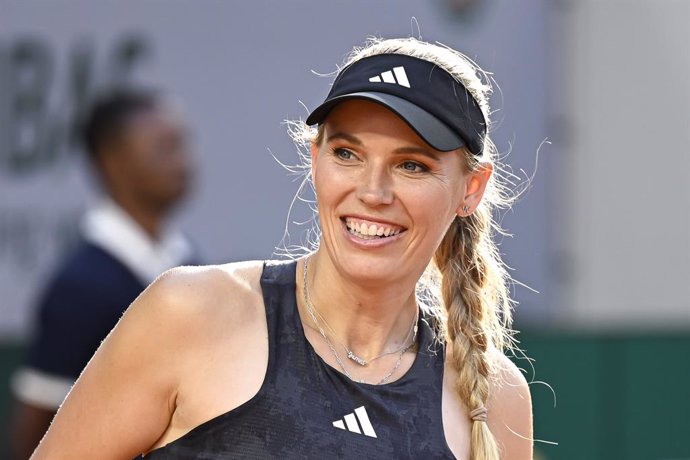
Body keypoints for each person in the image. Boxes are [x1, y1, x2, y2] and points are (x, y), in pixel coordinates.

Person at [31, 37, 532, 460]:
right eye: (347, 154)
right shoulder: (189, 313)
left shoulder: (494, 397)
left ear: (472, 188)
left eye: (412, 165)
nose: (373, 192)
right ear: (316, 160)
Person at [11, 88, 198, 459]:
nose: (184, 162)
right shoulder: (79, 288)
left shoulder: (189, 262)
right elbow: (36, 429)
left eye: (182, 144)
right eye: (164, 148)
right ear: (113, 162)